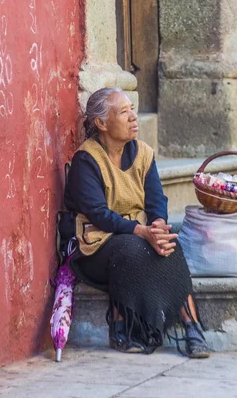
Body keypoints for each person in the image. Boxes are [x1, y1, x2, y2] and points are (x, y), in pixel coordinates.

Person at [64, 87, 209, 358]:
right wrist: (142, 231)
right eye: (123, 112)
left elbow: (156, 201)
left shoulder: (143, 153)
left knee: (170, 245)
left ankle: (193, 327)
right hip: (95, 244)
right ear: (101, 123)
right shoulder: (87, 159)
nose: (133, 117)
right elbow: (98, 214)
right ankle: (123, 328)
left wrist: (158, 227)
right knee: (130, 249)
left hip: (138, 233)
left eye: (132, 109)